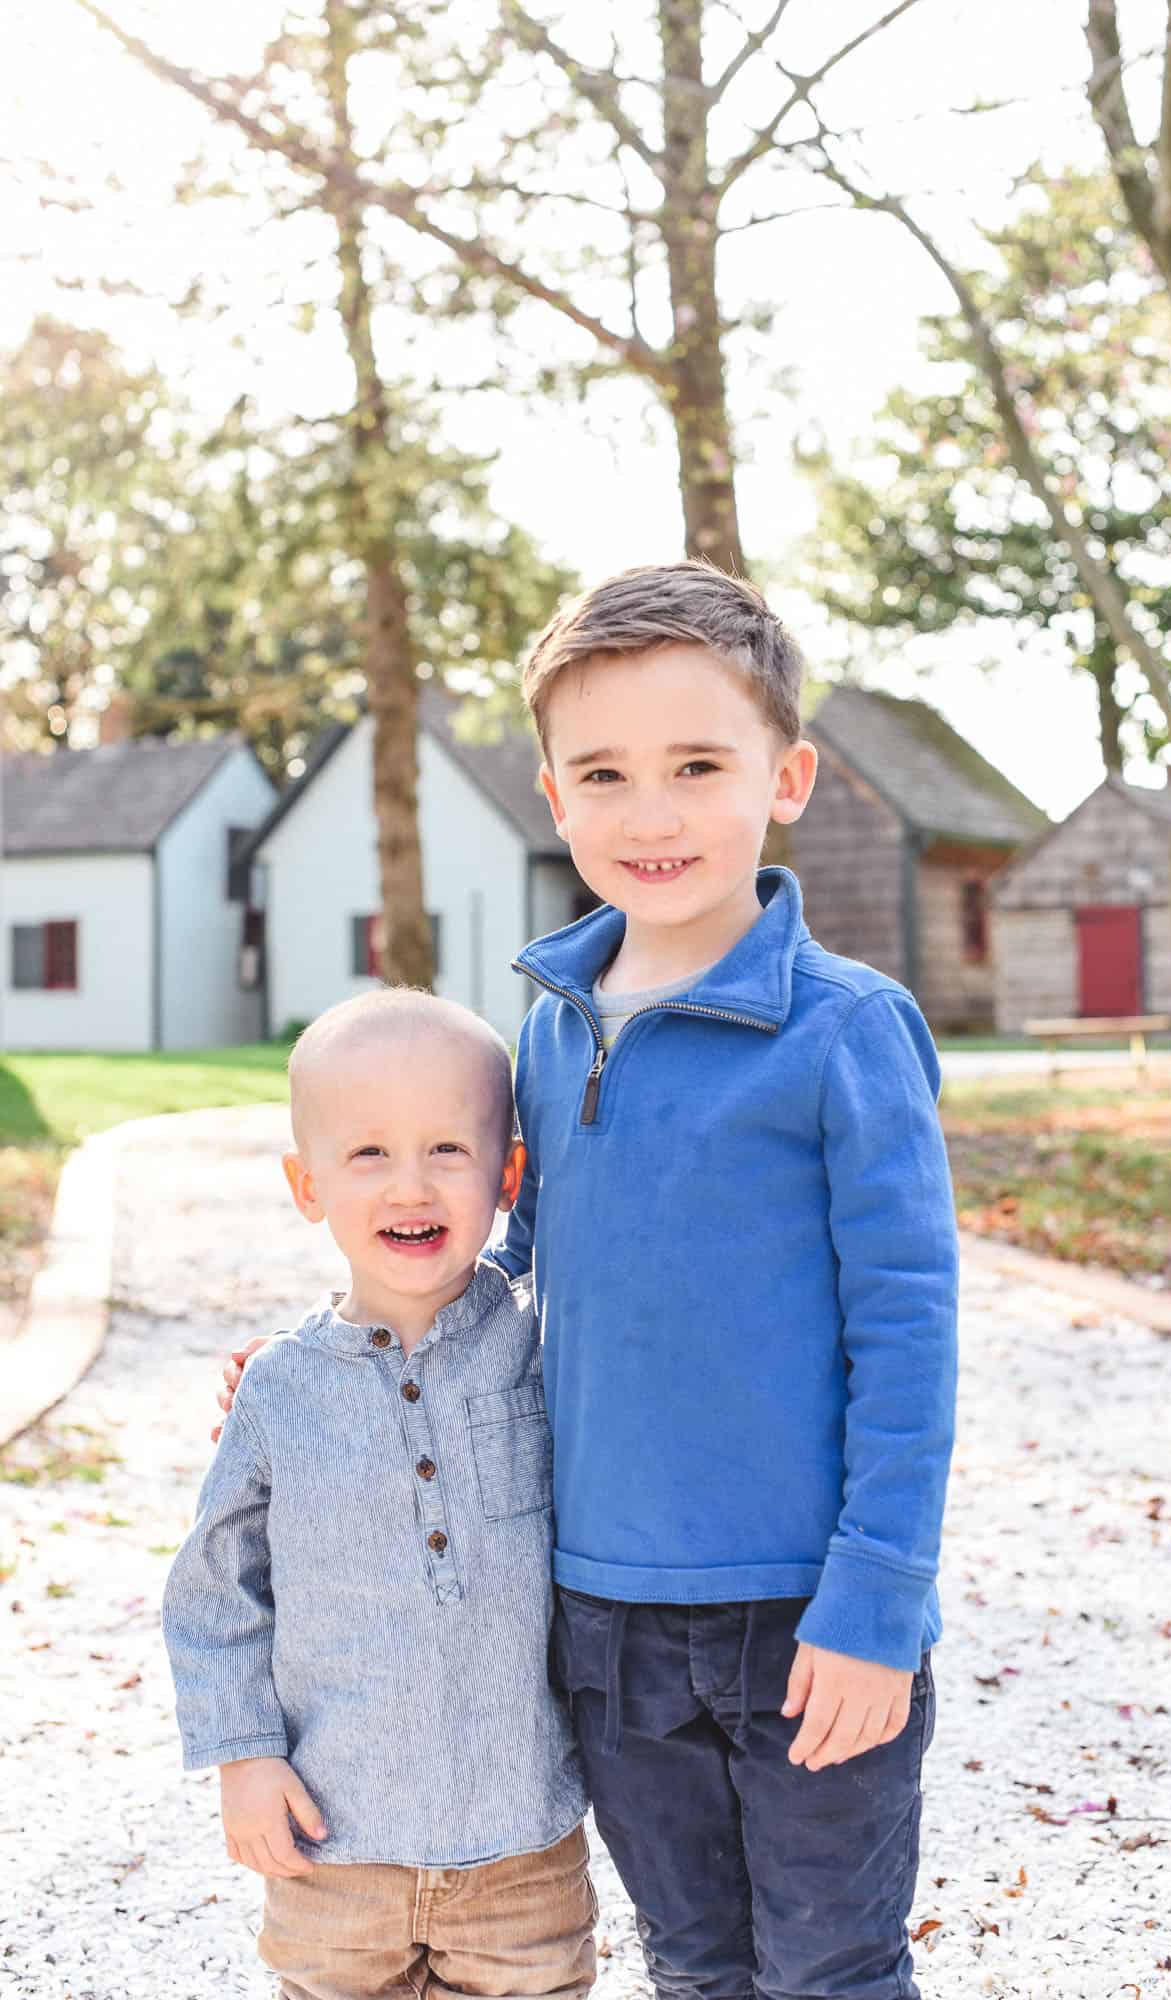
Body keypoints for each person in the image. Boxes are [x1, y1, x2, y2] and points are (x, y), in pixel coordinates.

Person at [221, 559, 958, 2000]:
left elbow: (907, 1333)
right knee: (693, 1962)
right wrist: (351, 1353)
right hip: (603, 1617)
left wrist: (877, 1597)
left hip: (803, 1609)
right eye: (605, 775)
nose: (650, 813)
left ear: (787, 777)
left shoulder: (844, 1031)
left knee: (829, 1967)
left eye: (697, 766)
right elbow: (507, 1271)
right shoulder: (551, 1034)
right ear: (555, 799)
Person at [165, 990, 593, 2000]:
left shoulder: (546, 1349)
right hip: (331, 1848)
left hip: (522, 1846)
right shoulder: (280, 1386)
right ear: (306, 1184)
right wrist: (242, 1757)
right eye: (368, 1154)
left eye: (449, 1148)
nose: (412, 1185)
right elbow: (217, 1592)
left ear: (508, 1175)